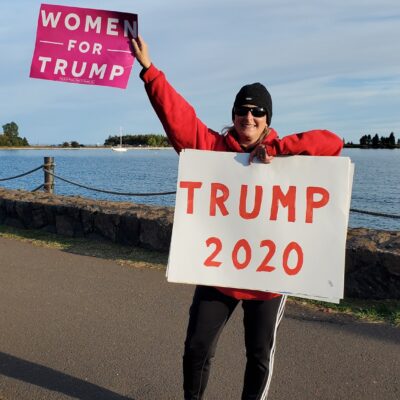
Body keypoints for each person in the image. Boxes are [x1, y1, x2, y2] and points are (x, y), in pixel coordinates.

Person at [131, 36, 343, 400]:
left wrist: (276, 150)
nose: (249, 117)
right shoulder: (213, 149)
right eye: (242, 111)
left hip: (269, 276)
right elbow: (178, 118)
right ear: (233, 116)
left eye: (257, 112)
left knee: (258, 355)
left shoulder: (285, 153)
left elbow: (333, 142)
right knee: (197, 346)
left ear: (267, 120)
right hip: (220, 271)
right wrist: (150, 71)